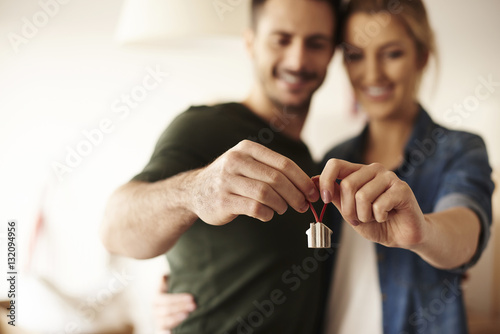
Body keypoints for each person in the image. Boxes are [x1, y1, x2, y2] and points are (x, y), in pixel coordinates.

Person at [154, 0, 495, 333]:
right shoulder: (331, 159)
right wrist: (185, 286)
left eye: (392, 53)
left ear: (421, 56)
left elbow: (465, 230)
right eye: (355, 55)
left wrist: (423, 232)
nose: (372, 73)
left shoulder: (459, 149)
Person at [100, 0, 341, 332]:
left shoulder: (311, 160)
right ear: (250, 43)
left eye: (315, 43)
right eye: (281, 39)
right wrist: (196, 191)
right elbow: (114, 230)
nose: (298, 60)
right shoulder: (204, 126)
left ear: (331, 53)